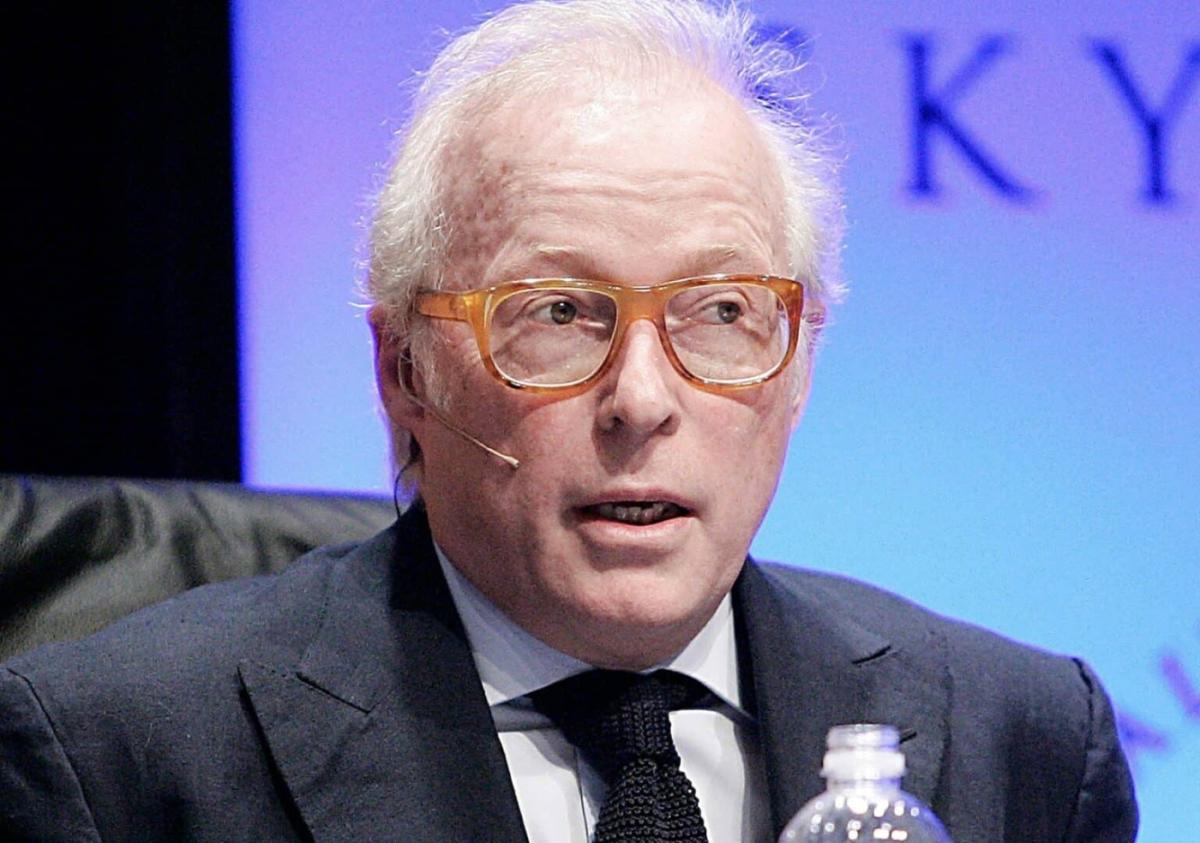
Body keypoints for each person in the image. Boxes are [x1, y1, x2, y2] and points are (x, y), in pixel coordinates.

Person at [0, 1, 1136, 841]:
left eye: (723, 312)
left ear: (801, 365)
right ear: (404, 370)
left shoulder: (1023, 740)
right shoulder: (118, 757)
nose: (642, 399)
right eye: (557, 313)